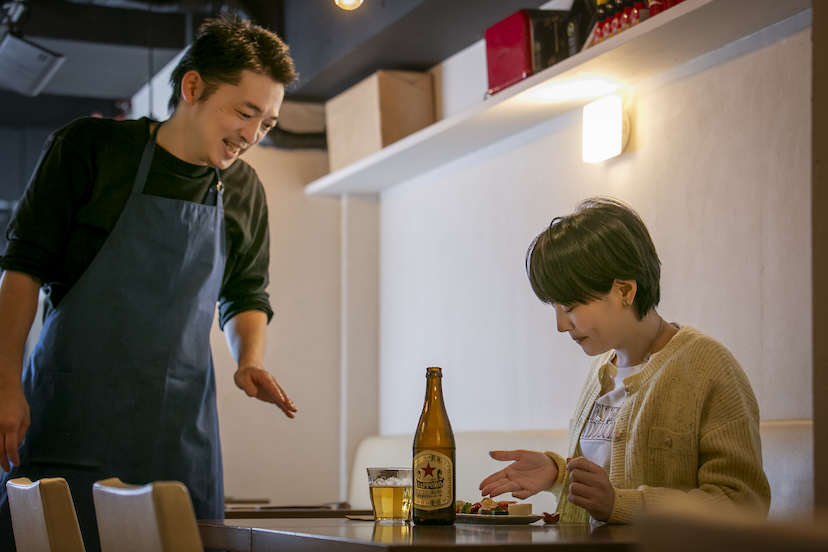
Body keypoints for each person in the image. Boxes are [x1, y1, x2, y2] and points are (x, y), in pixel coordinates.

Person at [0, 13, 298, 551]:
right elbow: (22, 269)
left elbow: (245, 292)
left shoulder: (244, 189)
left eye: (268, 124)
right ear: (192, 87)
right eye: (245, 112)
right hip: (71, 420)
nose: (253, 136)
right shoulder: (89, 149)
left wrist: (248, 359)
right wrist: (4, 386)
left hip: (180, 438)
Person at [479, 198, 771, 524]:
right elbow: (605, 493)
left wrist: (624, 504)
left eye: (571, 306)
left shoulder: (708, 368)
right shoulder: (601, 371)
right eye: (555, 308)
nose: (561, 325)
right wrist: (558, 474)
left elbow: (744, 505)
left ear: (624, 291)